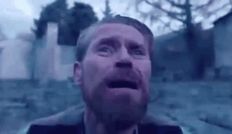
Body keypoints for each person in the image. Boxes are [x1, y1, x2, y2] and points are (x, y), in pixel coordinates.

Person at [25, 15, 183, 134]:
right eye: (105, 49)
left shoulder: (169, 132)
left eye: (137, 51)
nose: (125, 59)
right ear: (78, 73)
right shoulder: (43, 131)